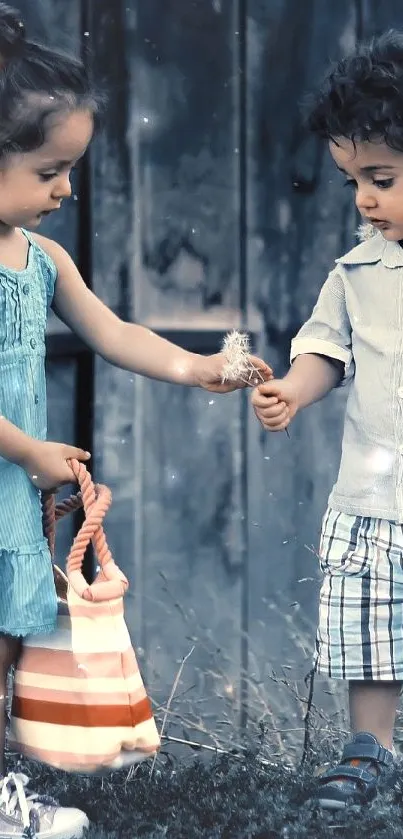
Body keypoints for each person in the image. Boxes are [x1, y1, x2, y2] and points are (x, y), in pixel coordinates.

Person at [0, 4, 272, 837]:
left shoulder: (43, 260)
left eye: (71, 170)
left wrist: (197, 366)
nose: (66, 189)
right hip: (16, 464)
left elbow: (114, 331)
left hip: (11, 497)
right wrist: (29, 448)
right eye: (50, 170)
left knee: (6, 646)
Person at [252, 29, 403, 810]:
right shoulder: (356, 271)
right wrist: (291, 389)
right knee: (371, 633)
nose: (362, 200)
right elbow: (324, 349)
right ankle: (370, 749)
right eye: (352, 181)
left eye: (380, 178)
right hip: (376, 498)